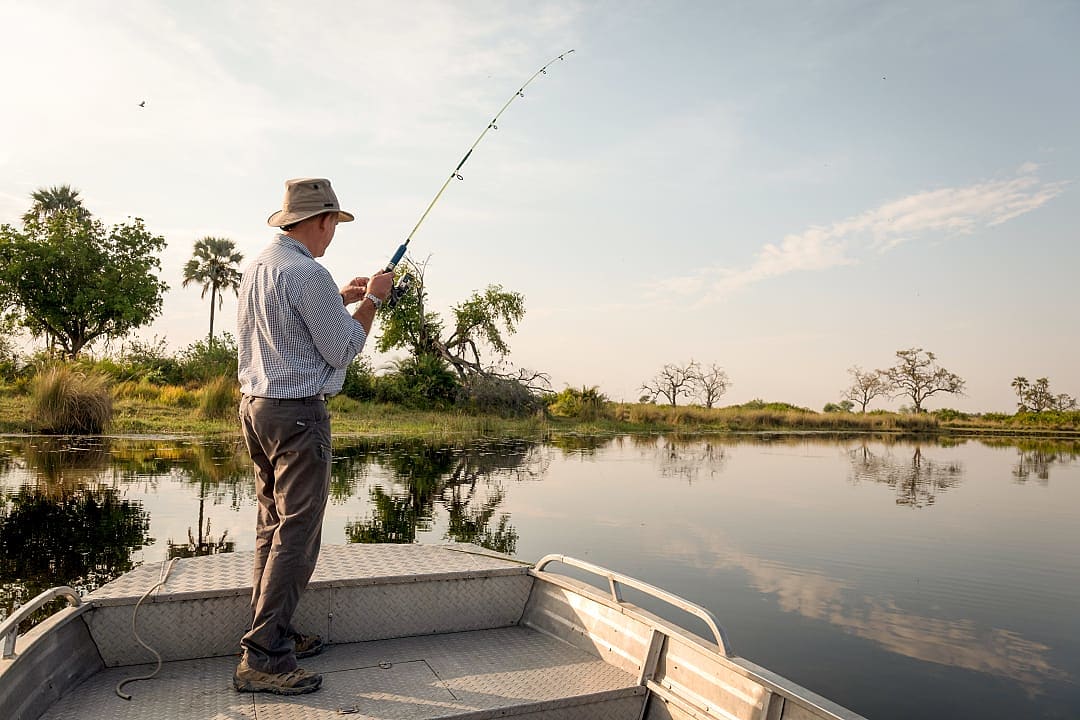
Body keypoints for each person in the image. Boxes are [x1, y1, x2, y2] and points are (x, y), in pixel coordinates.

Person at [233, 177, 393, 695]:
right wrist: (372, 298)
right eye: (334, 225)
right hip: (299, 417)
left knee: (272, 527)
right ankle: (263, 657)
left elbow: (294, 331)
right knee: (297, 536)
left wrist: (341, 297)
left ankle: (270, 634)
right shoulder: (307, 271)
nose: (333, 236)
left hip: (257, 410)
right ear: (321, 220)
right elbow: (345, 348)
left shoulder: (260, 265)